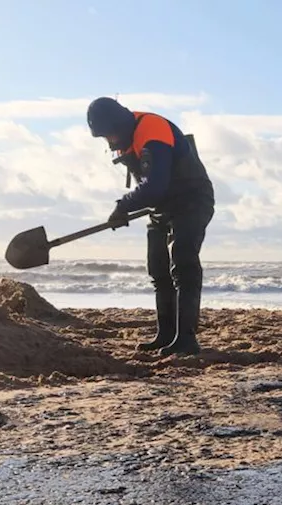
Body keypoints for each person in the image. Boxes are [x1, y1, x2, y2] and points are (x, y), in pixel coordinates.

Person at [86, 96, 215, 357]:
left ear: (119, 124)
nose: (109, 142)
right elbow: (152, 190)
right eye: (104, 138)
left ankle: (186, 340)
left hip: (192, 201)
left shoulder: (152, 130)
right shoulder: (126, 139)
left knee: (183, 262)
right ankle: (166, 335)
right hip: (161, 208)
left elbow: (156, 185)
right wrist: (128, 207)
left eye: (109, 134)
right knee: (158, 268)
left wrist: (123, 206)